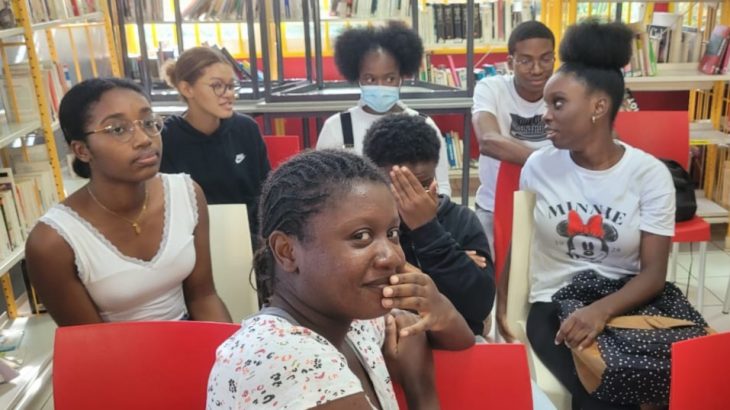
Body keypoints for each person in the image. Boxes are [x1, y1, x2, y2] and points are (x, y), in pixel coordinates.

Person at [497, 21, 707, 409]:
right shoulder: (539, 167)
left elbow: (653, 275)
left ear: (598, 107)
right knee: (603, 389)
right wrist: (503, 307)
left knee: (692, 376)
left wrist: (601, 311)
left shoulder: (648, 175)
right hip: (554, 303)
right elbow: (519, 243)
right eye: (546, 103)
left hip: (628, 302)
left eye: (558, 103)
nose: (545, 115)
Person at [207, 149, 474, 409]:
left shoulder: (350, 321)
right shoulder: (283, 361)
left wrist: (437, 307)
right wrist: (421, 386)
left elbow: (460, 340)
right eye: (361, 236)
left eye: (392, 233)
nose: (392, 256)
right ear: (287, 251)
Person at [25, 78, 231, 325]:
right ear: (82, 150)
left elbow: (203, 297)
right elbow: (89, 341)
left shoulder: (187, 193)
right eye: (118, 130)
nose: (144, 139)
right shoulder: (52, 242)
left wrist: (230, 348)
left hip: (188, 336)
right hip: (112, 347)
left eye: (148, 123)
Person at [362, 114, 494, 336]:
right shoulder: (364, 226)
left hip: (453, 339)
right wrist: (454, 261)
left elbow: (478, 308)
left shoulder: (461, 219)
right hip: (389, 340)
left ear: (435, 175)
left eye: (423, 185)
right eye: (400, 187)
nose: (413, 199)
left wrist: (427, 229)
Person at [316, 21, 452, 196]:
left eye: (389, 79)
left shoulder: (424, 125)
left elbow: (442, 186)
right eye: (370, 79)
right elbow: (321, 190)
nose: (380, 86)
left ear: (401, 77)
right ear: (358, 78)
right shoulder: (337, 127)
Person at [160, 46, 270, 247]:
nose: (229, 94)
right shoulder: (165, 139)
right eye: (217, 86)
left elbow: (265, 191)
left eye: (231, 86)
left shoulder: (246, 129)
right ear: (187, 89)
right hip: (191, 245)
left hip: (250, 240)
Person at [472, 21, 555, 254]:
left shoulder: (565, 90)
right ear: (510, 63)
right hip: (494, 205)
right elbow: (488, 140)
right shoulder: (491, 88)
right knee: (485, 267)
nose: (537, 69)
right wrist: (549, 163)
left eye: (545, 59)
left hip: (552, 203)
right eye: (526, 60)